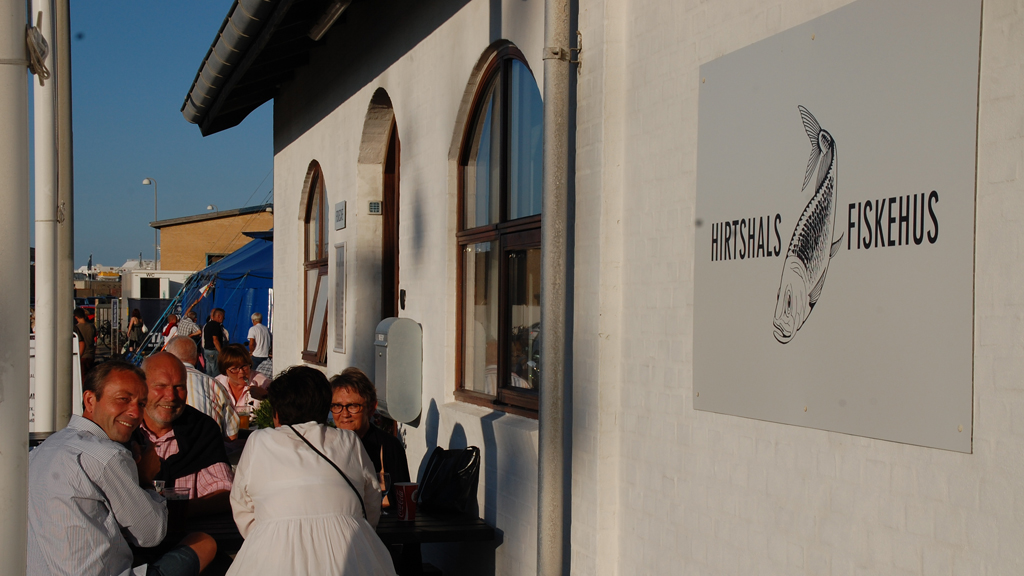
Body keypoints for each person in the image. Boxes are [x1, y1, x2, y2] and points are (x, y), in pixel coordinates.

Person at [27, 360, 217, 576]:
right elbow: (151, 533)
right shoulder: (108, 455)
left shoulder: (43, 450)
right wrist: (145, 478)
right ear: (90, 400)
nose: (135, 413)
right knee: (204, 543)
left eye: (141, 404)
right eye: (123, 399)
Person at [227, 366, 397, 576]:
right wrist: (355, 534)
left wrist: (267, 535)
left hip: (275, 555)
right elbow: (371, 498)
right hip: (347, 553)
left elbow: (241, 504)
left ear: (277, 413)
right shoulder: (348, 441)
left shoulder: (259, 442)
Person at [135, 353, 234, 517]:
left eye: (178, 387)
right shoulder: (126, 431)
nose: (171, 396)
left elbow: (223, 491)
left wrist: (173, 511)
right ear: (141, 387)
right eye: (161, 386)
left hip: (189, 534)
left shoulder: (201, 429)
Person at [330, 367, 411, 486]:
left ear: (371, 408)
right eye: (337, 406)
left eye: (353, 406)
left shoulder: (389, 447)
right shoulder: (326, 446)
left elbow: (401, 497)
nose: (345, 414)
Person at [164, 335, 240, 440]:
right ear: (196, 358)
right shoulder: (215, 385)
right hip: (209, 452)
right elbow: (232, 435)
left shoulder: (156, 385)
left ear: (168, 357)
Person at [214, 344, 271, 420]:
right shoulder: (217, 384)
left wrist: (266, 395)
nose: (241, 372)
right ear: (225, 371)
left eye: (244, 366)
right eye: (234, 368)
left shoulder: (262, 382)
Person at [202, 308, 226, 377]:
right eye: (223, 317)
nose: (224, 319)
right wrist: (221, 352)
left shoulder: (207, 325)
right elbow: (215, 340)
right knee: (216, 372)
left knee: (208, 372)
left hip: (207, 350)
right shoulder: (216, 326)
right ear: (219, 316)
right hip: (214, 351)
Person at [73, 307, 96, 374]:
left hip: (82, 355)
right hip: (91, 354)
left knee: (82, 376)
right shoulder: (91, 326)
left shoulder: (76, 328)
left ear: (76, 317)